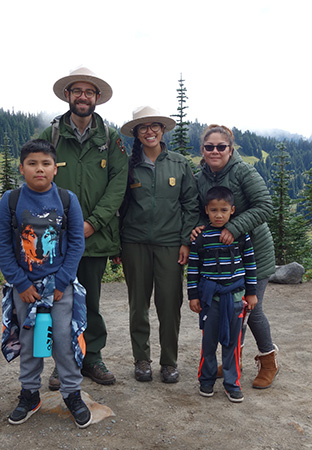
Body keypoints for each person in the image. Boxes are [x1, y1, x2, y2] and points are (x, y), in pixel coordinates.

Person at [38, 67, 128, 387]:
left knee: (89, 300)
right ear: (67, 96)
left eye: (89, 92)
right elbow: (35, 178)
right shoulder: (50, 137)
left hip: (95, 236)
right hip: (57, 239)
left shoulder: (111, 139)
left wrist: (93, 222)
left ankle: (91, 358)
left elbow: (119, 184)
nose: (83, 97)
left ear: (97, 98)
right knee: (58, 299)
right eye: (77, 91)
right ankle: (62, 361)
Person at [0, 139, 91, 428]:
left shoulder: (67, 199)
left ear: (55, 168)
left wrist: (62, 281)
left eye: (46, 163)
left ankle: (72, 393)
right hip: (25, 289)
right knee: (28, 341)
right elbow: (2, 246)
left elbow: (75, 243)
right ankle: (29, 394)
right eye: (32, 163)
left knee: (64, 340)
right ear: (22, 168)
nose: (40, 169)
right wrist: (20, 283)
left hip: (60, 288)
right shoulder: (10, 201)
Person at [115, 106, 199, 383]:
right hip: (134, 243)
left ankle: (169, 362)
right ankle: (142, 360)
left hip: (170, 244)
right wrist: (117, 244)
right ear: (136, 134)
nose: (149, 131)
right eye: (143, 127)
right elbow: (118, 206)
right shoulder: (128, 166)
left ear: (162, 130)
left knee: (169, 304)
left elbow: (190, 205)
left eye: (154, 126)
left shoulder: (179, 164)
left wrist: (186, 241)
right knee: (138, 305)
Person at [193, 124, 280, 389]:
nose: (215, 151)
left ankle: (269, 361)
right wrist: (197, 226)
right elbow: (199, 210)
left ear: (231, 149)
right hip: (221, 259)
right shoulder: (200, 177)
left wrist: (234, 227)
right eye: (210, 147)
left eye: (221, 147)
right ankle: (234, 363)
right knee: (232, 311)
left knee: (250, 310)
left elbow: (265, 206)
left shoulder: (243, 171)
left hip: (254, 254)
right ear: (203, 150)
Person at [188, 186, 258, 403]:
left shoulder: (240, 236)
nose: (219, 215)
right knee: (208, 342)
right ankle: (206, 380)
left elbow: (250, 264)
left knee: (233, 343)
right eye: (214, 210)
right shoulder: (200, 238)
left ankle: (232, 383)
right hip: (210, 299)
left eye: (224, 210)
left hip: (236, 298)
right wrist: (193, 296)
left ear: (232, 210)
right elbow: (193, 268)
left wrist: (251, 293)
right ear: (207, 211)